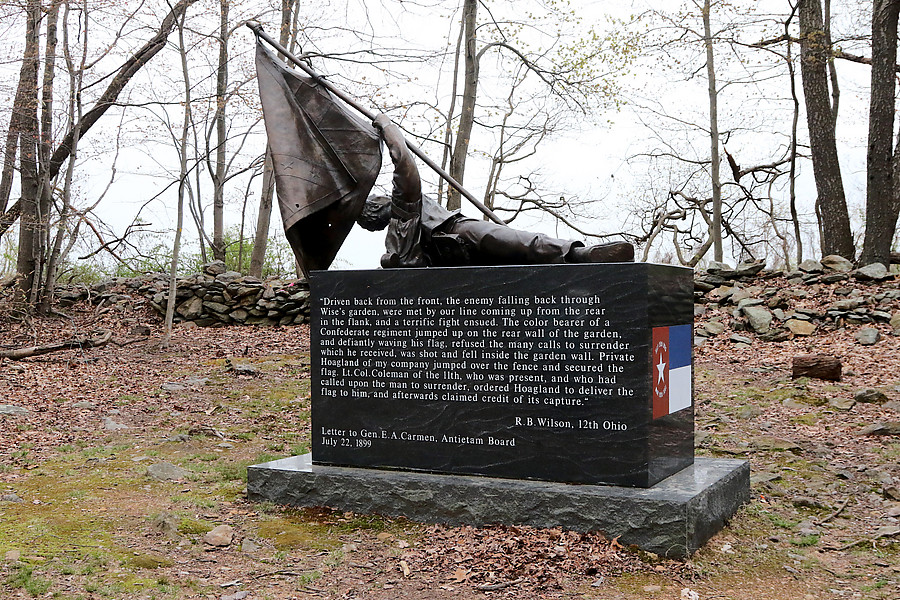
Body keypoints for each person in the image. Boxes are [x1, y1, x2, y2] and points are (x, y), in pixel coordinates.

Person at [357, 114, 634, 268]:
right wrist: (388, 127)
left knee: (517, 256)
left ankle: (578, 258)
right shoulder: (402, 210)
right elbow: (405, 167)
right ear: (379, 208)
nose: (383, 195)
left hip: (451, 252)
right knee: (519, 241)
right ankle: (579, 255)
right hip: (456, 234)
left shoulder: (398, 234)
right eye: (378, 198)